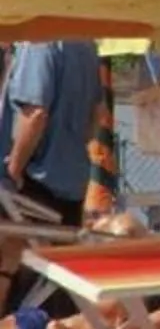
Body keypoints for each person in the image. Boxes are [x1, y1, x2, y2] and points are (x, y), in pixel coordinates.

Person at [0, 41, 102, 229]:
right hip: (73, 184)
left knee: (24, 255)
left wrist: (12, 172)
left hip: (32, 185)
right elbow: (94, 118)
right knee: (61, 256)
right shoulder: (86, 44)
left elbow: (34, 114)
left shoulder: (37, 44)